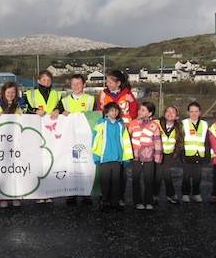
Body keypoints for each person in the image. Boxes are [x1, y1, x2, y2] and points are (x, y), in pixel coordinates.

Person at [96, 70, 138, 207]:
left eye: (109, 82)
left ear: (118, 83)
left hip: (123, 132)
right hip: (107, 135)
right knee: (106, 172)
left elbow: (134, 113)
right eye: (107, 82)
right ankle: (104, 197)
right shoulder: (103, 94)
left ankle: (119, 197)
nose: (107, 84)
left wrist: (132, 103)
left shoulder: (128, 94)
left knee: (121, 170)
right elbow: (98, 112)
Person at [23, 70, 63, 204]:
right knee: (37, 162)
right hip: (35, 132)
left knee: (50, 161)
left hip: (51, 132)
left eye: (49, 80)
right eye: (44, 80)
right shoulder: (30, 94)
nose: (47, 82)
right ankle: (38, 192)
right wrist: (35, 110)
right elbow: (23, 108)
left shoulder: (57, 94)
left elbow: (62, 107)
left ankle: (49, 191)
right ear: (38, 81)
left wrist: (58, 110)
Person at [61, 74, 96, 205]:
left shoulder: (91, 99)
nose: (76, 86)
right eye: (73, 84)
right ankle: (72, 193)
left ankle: (86, 193)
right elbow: (58, 116)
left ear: (84, 85)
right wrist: (60, 113)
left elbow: (95, 116)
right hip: (70, 138)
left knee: (86, 164)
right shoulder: (64, 101)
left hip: (86, 138)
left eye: (78, 84)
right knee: (71, 164)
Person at [92, 102, 133, 212]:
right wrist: (96, 156)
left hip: (117, 158)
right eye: (111, 110)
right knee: (105, 182)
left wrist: (126, 158)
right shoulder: (101, 124)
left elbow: (125, 142)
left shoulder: (121, 125)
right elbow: (95, 140)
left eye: (116, 110)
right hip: (104, 158)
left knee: (116, 182)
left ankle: (115, 202)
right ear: (106, 112)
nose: (114, 112)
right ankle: (104, 203)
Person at [0, 81, 25, 208]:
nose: (10, 95)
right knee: (3, 170)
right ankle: (3, 197)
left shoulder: (20, 105)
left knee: (16, 169)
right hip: (2, 142)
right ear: (3, 93)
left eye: (13, 92)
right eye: (8, 92)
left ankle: (16, 195)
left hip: (17, 142)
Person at [128, 101, 163, 210]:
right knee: (136, 179)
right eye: (139, 109)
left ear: (150, 113)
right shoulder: (132, 123)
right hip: (135, 156)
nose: (140, 111)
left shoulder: (154, 125)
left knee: (149, 180)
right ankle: (138, 202)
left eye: (143, 110)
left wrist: (158, 158)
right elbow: (127, 140)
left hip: (149, 157)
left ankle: (149, 201)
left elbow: (158, 142)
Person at [154, 105, 184, 205]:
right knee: (158, 173)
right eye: (168, 111)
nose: (170, 114)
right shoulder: (156, 123)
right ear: (164, 113)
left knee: (165, 173)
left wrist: (174, 157)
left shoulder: (179, 127)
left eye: (173, 112)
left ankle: (165, 194)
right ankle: (163, 194)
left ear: (177, 116)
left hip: (168, 154)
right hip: (156, 153)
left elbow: (179, 143)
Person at [181, 102, 209, 203]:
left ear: (200, 112)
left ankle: (196, 193)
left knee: (198, 176)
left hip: (199, 155)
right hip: (187, 155)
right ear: (188, 112)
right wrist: (181, 154)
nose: (194, 114)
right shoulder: (183, 123)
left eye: (196, 111)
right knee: (186, 176)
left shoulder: (205, 124)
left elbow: (207, 141)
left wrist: (207, 155)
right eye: (191, 111)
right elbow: (180, 141)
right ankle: (185, 194)